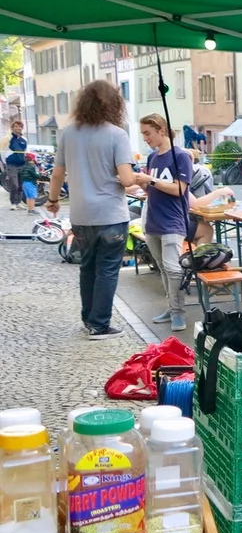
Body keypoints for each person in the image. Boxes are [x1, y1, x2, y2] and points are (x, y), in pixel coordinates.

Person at [46, 80, 136, 339]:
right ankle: (100, 324)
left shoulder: (68, 133)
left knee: (87, 267)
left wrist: (53, 200)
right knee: (107, 269)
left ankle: (88, 318)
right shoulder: (117, 134)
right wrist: (139, 179)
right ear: (114, 105)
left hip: (81, 214)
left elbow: (58, 173)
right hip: (110, 214)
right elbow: (128, 179)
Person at [134, 114, 193, 332]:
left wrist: (150, 180)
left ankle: (178, 312)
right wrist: (143, 183)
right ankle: (172, 306)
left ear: (161, 130)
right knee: (162, 268)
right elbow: (152, 190)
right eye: (143, 134)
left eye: (148, 133)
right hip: (153, 221)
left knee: (172, 268)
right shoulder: (152, 158)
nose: (145, 138)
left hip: (173, 221)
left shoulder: (181, 156)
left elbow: (180, 189)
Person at [6, 120, 27, 210]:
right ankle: (13, 202)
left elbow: (26, 151)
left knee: (21, 184)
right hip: (12, 164)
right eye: (16, 126)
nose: (18, 128)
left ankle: (18, 202)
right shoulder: (8, 138)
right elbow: (3, 151)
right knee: (14, 184)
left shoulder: (24, 140)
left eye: (20, 126)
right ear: (12, 128)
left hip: (22, 164)